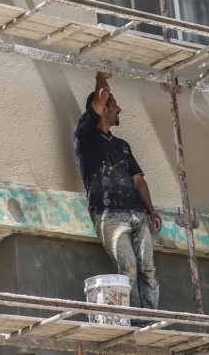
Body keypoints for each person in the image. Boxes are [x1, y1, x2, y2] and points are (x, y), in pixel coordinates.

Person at [74, 71, 163, 313]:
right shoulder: (86, 137)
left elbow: (138, 180)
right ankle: (133, 319)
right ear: (103, 109)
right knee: (129, 268)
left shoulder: (122, 146)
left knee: (148, 268)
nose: (119, 109)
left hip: (137, 213)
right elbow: (101, 95)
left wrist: (151, 211)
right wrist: (100, 77)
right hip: (109, 214)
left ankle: (150, 316)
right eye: (114, 105)